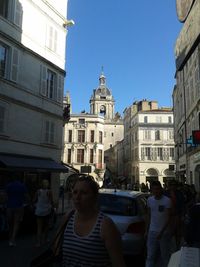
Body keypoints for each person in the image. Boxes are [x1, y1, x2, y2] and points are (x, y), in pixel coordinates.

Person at [59, 175, 126, 267]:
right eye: (75, 192)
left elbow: (118, 263)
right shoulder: (67, 218)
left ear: (94, 197)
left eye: (84, 193)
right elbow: (56, 250)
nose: (77, 197)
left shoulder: (105, 225)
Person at [146, 180, 172, 267]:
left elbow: (168, 218)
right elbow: (149, 215)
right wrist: (147, 230)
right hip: (152, 232)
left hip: (164, 233)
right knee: (150, 255)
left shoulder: (167, 201)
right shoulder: (149, 200)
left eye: (157, 189)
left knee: (165, 256)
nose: (156, 191)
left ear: (161, 189)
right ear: (152, 190)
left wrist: (162, 232)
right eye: (154, 189)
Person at [5, 173, 29, 246]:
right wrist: (29, 202)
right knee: (16, 223)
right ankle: (13, 239)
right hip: (19, 206)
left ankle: (10, 238)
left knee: (10, 223)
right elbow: (26, 196)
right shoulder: (22, 186)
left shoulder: (9, 185)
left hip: (9, 206)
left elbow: (5, 196)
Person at [34, 179, 53, 247]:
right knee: (46, 226)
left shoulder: (38, 191)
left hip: (39, 210)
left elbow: (34, 200)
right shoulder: (49, 192)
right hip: (47, 210)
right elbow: (51, 201)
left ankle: (38, 243)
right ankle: (45, 239)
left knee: (39, 227)